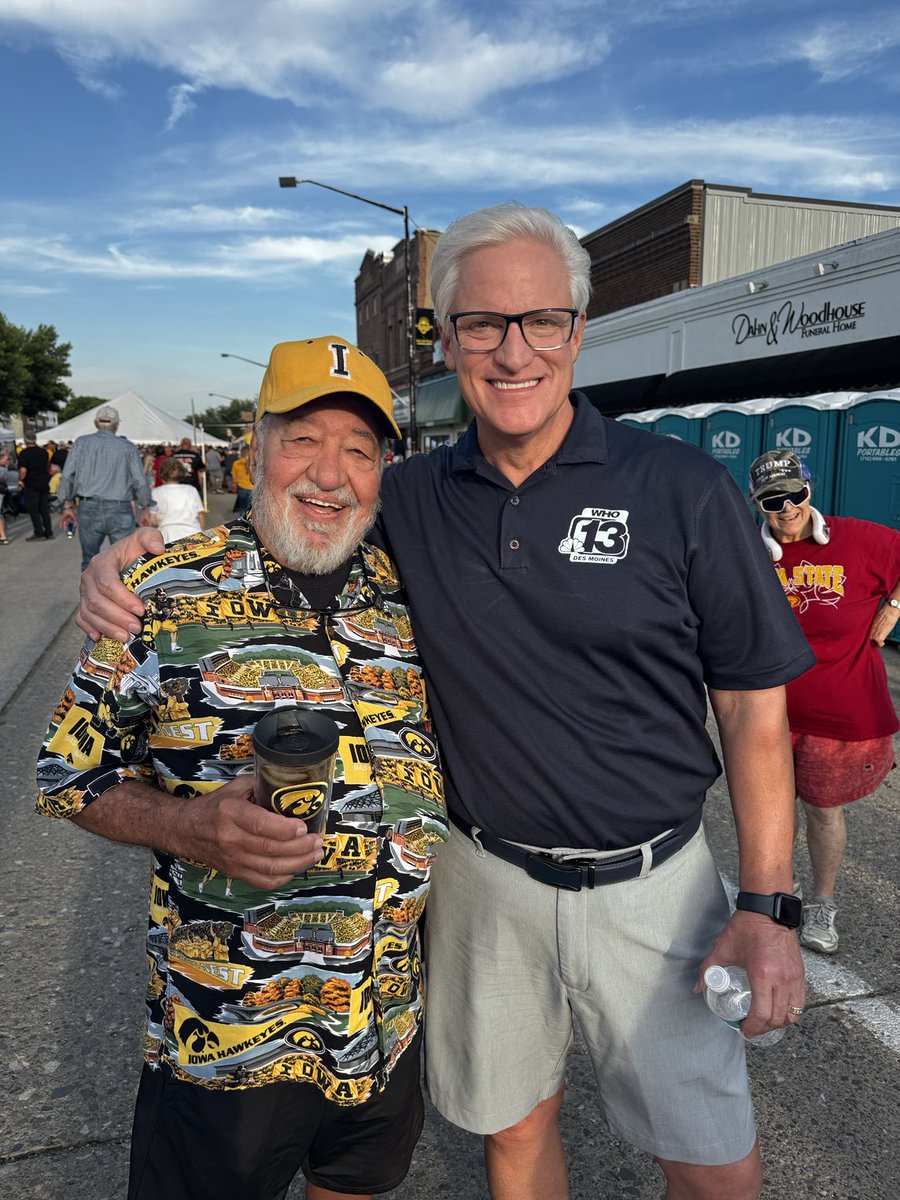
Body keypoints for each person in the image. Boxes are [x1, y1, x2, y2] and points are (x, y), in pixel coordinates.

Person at [78, 204, 812, 1200]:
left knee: (713, 1163)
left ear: (576, 332)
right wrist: (142, 557)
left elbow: (753, 710)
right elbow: (294, 518)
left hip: (657, 886)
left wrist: (767, 907)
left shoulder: (679, 488)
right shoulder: (410, 496)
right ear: (449, 342)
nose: (513, 351)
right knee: (514, 1137)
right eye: (482, 325)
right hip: (484, 885)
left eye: (540, 321)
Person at [37, 337, 448, 1200]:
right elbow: (65, 777)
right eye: (303, 439)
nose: (329, 474)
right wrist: (186, 826)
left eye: (360, 451)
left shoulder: (413, 591)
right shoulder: (158, 590)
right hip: (228, 1040)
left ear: (384, 475)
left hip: (381, 1027)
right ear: (254, 447)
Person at [748, 450, 900, 954]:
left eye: (796, 494)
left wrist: (894, 607)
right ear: (759, 505)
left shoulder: (858, 538)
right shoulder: (748, 550)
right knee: (767, 812)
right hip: (767, 711)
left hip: (838, 715)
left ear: (810, 491)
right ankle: (775, 897)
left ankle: (822, 901)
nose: (787, 507)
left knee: (822, 811)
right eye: (773, 499)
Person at [58, 404, 152, 570]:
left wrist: (67, 505)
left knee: (89, 560)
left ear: (96, 423)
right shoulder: (127, 447)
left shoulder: (81, 443)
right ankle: (121, 596)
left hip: (88, 507)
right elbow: (140, 480)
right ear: (116, 425)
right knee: (125, 561)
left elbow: (67, 476)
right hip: (120, 508)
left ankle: (90, 595)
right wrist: (145, 506)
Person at [150, 456, 206, 543]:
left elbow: (152, 519)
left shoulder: (156, 492)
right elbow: (200, 515)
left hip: (167, 535)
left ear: (161, 475)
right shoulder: (191, 489)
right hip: (193, 532)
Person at [17, 431, 53, 541]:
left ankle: (39, 533)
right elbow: (47, 467)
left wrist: (20, 480)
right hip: (43, 482)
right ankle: (49, 532)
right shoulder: (44, 452)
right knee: (44, 509)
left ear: (25, 440)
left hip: (31, 484)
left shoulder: (24, 453)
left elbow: (23, 470)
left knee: (33, 510)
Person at [230, 443, 253, 513]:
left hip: (241, 486)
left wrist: (234, 483)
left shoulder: (236, 463)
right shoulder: (254, 463)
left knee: (242, 508)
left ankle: (242, 522)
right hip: (252, 487)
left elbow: (234, 475)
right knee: (251, 509)